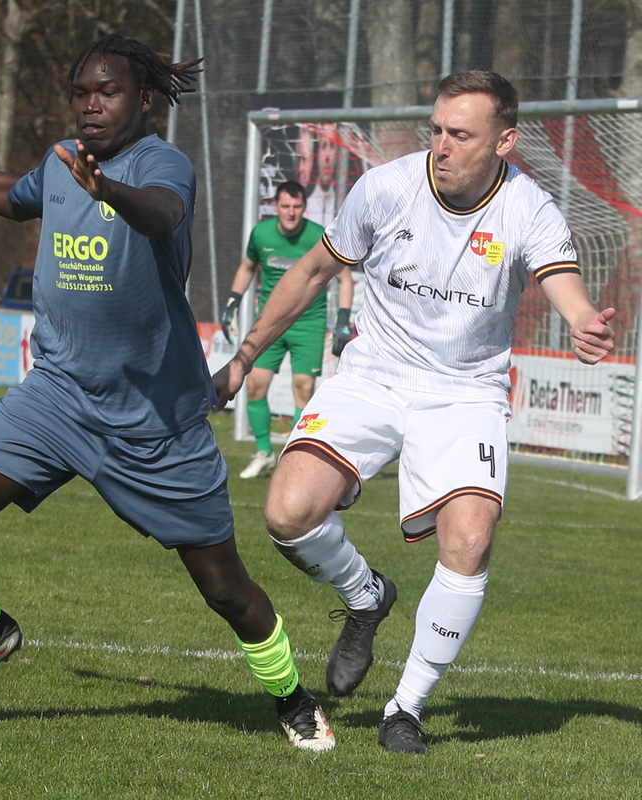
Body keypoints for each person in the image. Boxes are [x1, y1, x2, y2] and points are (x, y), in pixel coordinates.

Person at [0, 33, 335, 751]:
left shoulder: (162, 165)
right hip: (56, 397)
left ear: (143, 98)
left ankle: (292, 698)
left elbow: (162, 213)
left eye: (107, 92)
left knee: (225, 587)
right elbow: (9, 196)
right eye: (81, 93)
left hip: (154, 422)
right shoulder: (62, 160)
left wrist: (106, 190)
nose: (91, 105)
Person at [213, 70, 617, 755]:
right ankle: (366, 595)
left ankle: (405, 708)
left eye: (461, 134)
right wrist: (244, 356)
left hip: (466, 391)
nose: (442, 146)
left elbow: (565, 285)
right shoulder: (386, 187)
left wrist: (582, 323)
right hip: (375, 373)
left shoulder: (529, 208)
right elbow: (310, 273)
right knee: (286, 513)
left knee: (470, 540)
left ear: (505, 142)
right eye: (436, 130)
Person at [220, 180, 354, 479]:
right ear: (275, 207)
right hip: (269, 322)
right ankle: (263, 452)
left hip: (309, 323)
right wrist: (232, 303)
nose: (291, 212)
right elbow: (247, 267)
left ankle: (290, 457)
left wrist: (343, 320)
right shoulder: (261, 233)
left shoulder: (319, 236)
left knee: (303, 389)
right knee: (255, 384)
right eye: (285, 206)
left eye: (297, 206)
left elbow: (345, 278)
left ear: (304, 207)